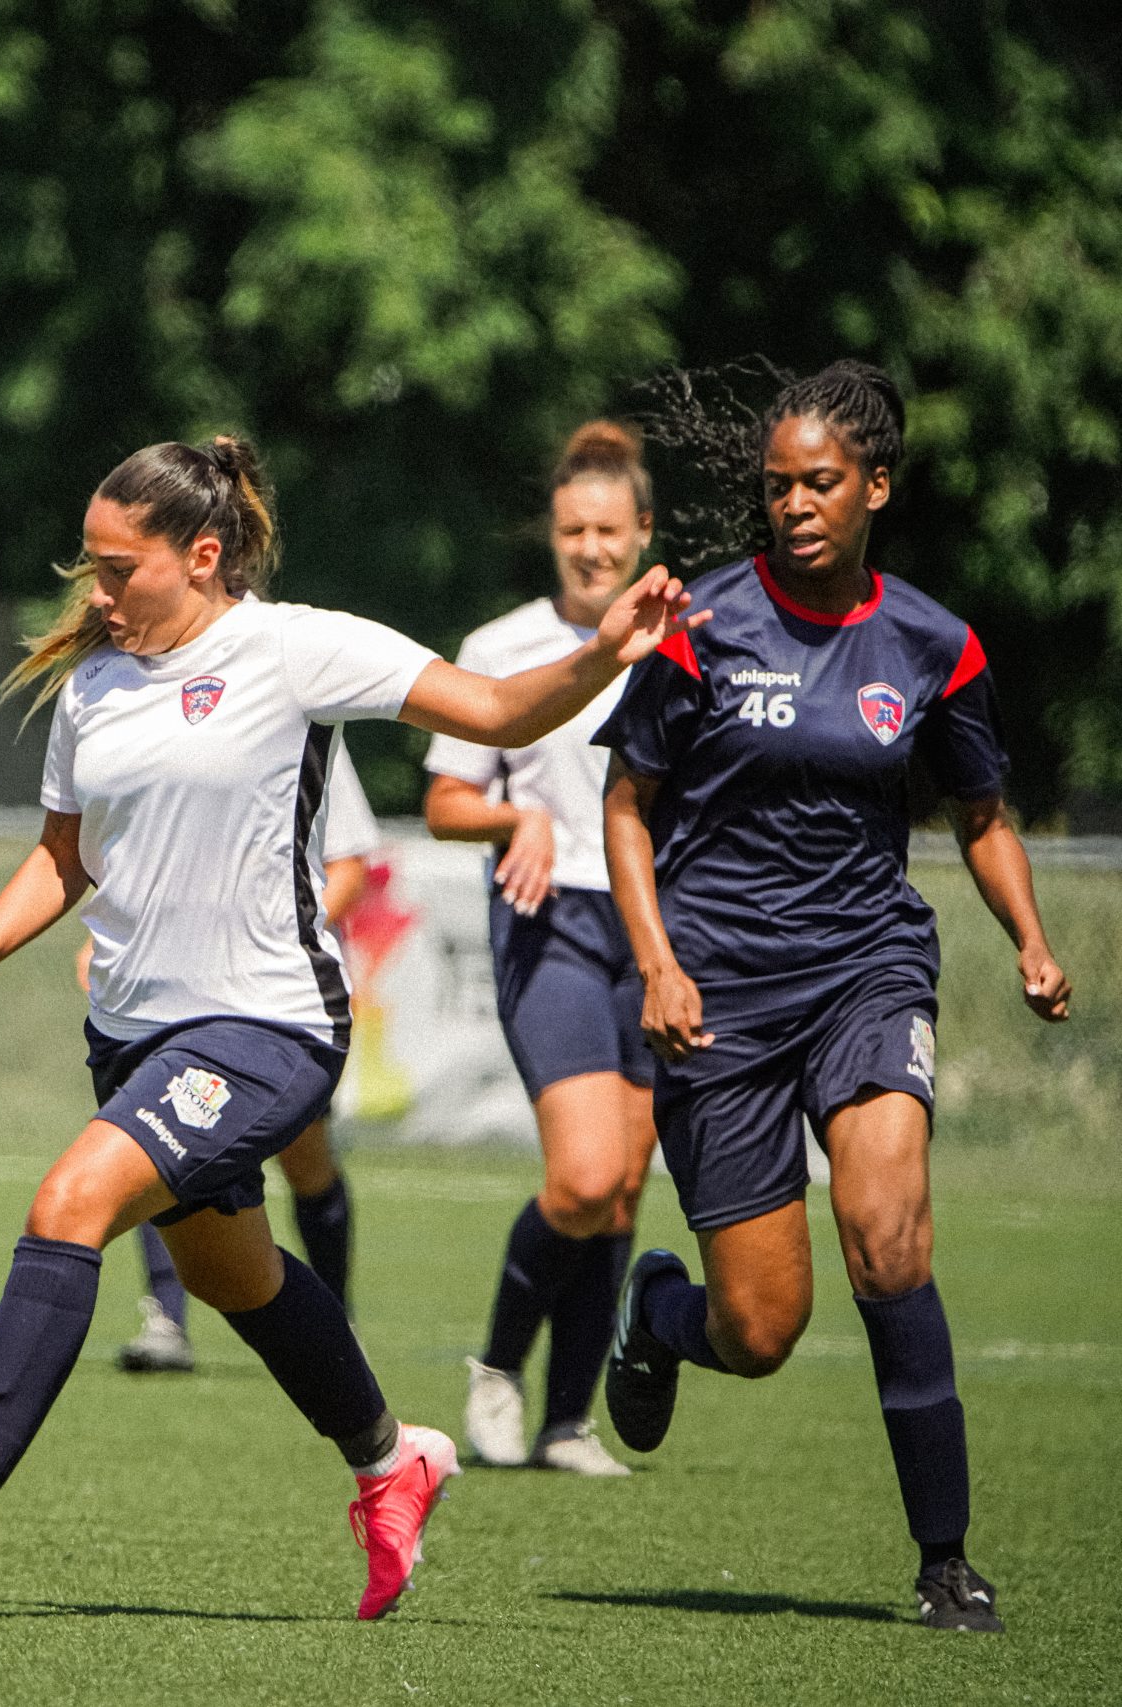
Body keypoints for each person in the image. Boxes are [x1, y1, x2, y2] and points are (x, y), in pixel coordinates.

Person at [0, 435, 701, 1620]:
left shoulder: (296, 647)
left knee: (69, 1206)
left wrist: (607, 654)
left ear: (203, 556)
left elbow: (502, 713)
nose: (96, 595)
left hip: (264, 1028)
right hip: (133, 1037)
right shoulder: (95, 683)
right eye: (90, 570)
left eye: (118, 569)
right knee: (230, 1273)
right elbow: (64, 860)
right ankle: (389, 1458)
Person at [597, 361, 1071, 1633]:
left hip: (866, 969)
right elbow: (627, 804)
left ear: (873, 486)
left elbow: (981, 815)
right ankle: (655, 1314)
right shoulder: (700, 622)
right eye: (776, 486)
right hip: (719, 997)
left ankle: (943, 1559)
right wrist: (656, 960)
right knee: (759, 1328)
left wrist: (1027, 937)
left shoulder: (933, 643)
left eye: (819, 483)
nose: (795, 503)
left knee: (888, 1239)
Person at [423, 422, 661, 1478]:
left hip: (655, 933)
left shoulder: (683, 641)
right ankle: (497, 1368)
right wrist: (509, 820)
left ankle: (569, 1423)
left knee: (622, 1192)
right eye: (572, 529)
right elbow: (441, 801)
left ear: (643, 533)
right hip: (548, 922)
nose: (590, 548)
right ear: (552, 535)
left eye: (608, 530)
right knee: (580, 1177)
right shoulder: (499, 646)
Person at [107, 736, 375, 1373]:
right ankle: (166, 1320)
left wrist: (277, 939)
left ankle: (336, 1324)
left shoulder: (305, 720)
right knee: (159, 1137)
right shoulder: (159, 727)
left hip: (280, 997)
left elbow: (351, 866)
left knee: (306, 1162)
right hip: (179, 989)